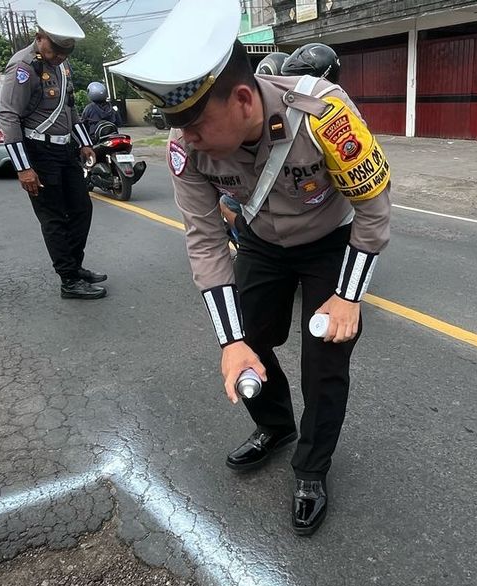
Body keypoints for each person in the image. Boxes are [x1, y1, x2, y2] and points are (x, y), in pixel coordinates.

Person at [114, 0, 391, 534]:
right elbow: (204, 239)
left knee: (324, 361)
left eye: (193, 125)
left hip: (329, 244)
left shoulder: (324, 115)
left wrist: (348, 296)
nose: (184, 138)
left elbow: (374, 212)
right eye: (176, 126)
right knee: (249, 347)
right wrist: (229, 341)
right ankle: (276, 426)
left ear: (243, 98)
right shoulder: (185, 147)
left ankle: (311, 467)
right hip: (261, 244)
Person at [0, 1, 107, 300]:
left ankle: (75, 266)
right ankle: (69, 280)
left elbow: (69, 111)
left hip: (64, 150)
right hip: (37, 152)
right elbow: (8, 116)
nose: (60, 56)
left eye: (66, 51)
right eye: (56, 49)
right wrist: (23, 167)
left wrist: (85, 142)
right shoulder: (23, 67)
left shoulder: (62, 67)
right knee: (54, 217)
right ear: (40, 36)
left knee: (82, 209)